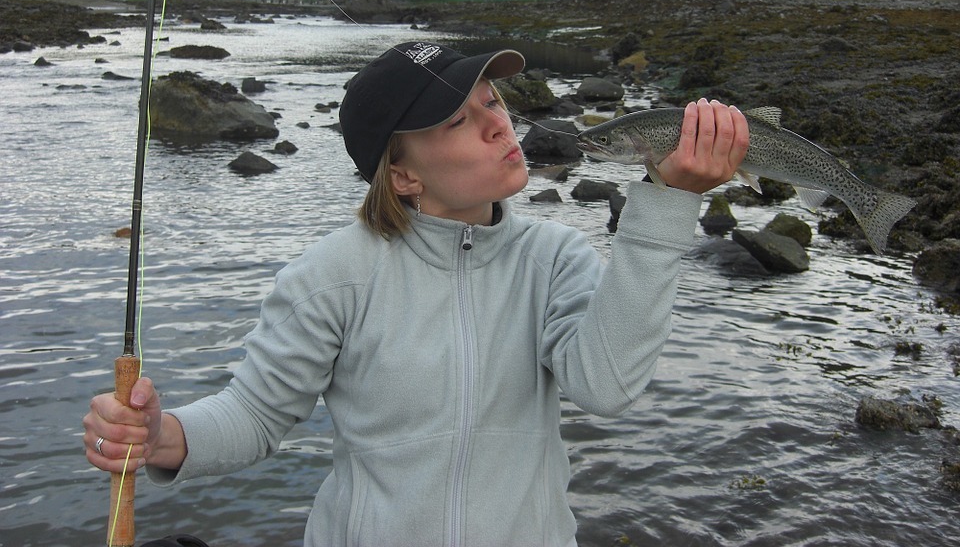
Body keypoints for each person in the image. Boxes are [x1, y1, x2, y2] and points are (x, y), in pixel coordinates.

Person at [84, 40, 750, 546]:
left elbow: (607, 386)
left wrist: (667, 203)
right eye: (457, 121)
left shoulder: (556, 259)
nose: (498, 127)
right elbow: (257, 417)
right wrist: (161, 435)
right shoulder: (331, 276)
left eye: (492, 102)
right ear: (401, 174)